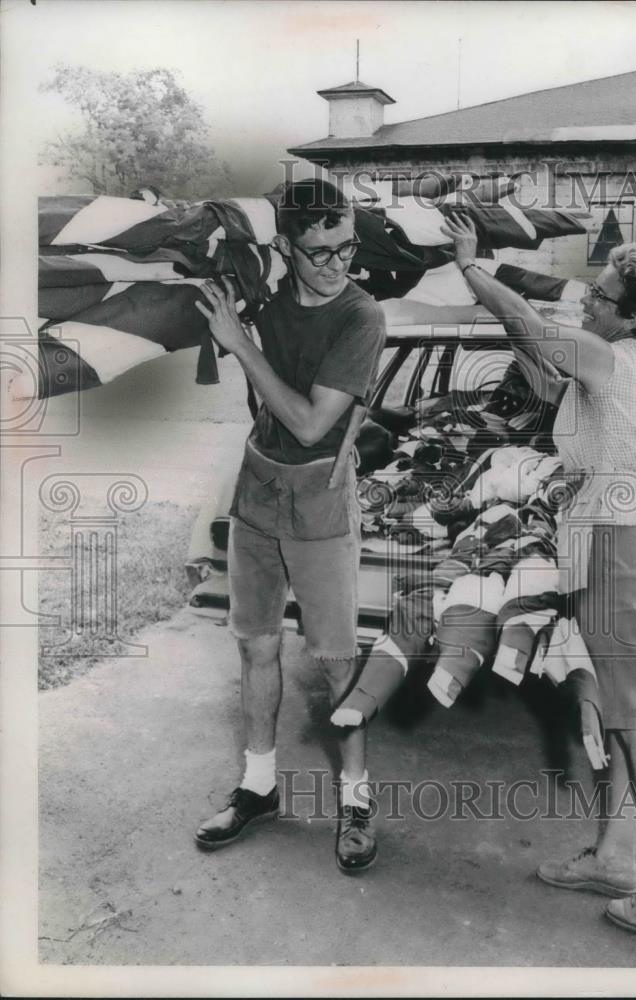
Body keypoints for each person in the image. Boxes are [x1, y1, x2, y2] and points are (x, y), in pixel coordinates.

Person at [440, 211, 636, 935]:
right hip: (615, 545)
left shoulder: (612, 358)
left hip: (624, 552)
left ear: (628, 317)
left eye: (599, 295)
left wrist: (472, 267)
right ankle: (617, 858)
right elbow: (530, 347)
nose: (586, 301)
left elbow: (533, 328)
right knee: (620, 718)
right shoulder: (611, 361)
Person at [193, 179, 386, 872]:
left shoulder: (360, 318)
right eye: (319, 251)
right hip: (257, 494)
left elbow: (309, 422)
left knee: (335, 658)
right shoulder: (268, 298)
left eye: (346, 248)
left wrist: (240, 346)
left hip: (320, 504)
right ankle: (257, 785)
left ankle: (357, 799)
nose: (337, 264)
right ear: (285, 249)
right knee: (254, 647)